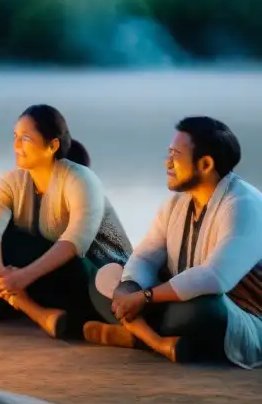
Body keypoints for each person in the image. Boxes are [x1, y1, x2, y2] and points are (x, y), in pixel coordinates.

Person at [86, 117, 262, 367]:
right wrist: (130, 289)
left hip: (239, 316)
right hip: (171, 302)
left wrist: (144, 298)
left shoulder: (244, 205)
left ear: (205, 163)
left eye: (175, 154)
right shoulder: (177, 203)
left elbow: (214, 277)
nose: (167, 162)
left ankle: (136, 334)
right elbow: (146, 256)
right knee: (106, 278)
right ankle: (157, 340)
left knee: (201, 308)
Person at [0, 104, 133, 339]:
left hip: (97, 271)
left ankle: (52, 316)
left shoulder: (80, 179)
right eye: (15, 137)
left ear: (52, 145)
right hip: (52, 274)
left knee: (33, 254)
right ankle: (33, 310)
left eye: (25, 138)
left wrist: (22, 277)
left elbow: (75, 241)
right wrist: (7, 282)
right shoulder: (12, 181)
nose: (16, 146)